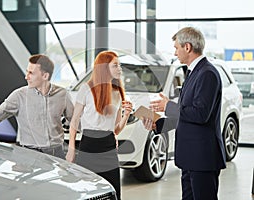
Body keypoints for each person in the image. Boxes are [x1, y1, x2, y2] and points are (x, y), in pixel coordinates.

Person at [144, 27, 226, 200]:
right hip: (190, 157)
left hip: (202, 159)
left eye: (176, 48)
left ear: (187, 47)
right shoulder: (193, 72)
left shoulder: (207, 73)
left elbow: (200, 114)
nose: (175, 52)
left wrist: (168, 106)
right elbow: (185, 115)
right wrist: (158, 124)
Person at [0, 54, 74, 159]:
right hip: (28, 155)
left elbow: (75, 121)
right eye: (27, 71)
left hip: (56, 154)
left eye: (31, 73)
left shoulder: (62, 94)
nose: (26, 76)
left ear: (45, 76)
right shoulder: (19, 95)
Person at [65, 50, 132, 200]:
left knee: (112, 192)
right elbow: (75, 120)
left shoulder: (117, 93)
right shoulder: (86, 88)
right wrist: (71, 149)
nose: (119, 69)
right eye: (115, 65)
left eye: (119, 65)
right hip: (88, 145)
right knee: (87, 192)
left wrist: (126, 115)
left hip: (108, 147)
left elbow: (116, 130)